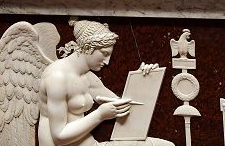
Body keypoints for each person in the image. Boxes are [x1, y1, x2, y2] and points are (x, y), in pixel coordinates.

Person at [37, 19, 173, 146]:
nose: (107, 62)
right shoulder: (57, 78)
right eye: (104, 54)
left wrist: (143, 78)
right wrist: (100, 115)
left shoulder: (87, 77)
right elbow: (59, 136)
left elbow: (124, 106)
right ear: (89, 47)